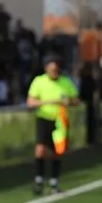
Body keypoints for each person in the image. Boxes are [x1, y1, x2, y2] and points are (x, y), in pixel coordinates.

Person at [26, 55, 79, 195]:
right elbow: (30, 102)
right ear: (46, 69)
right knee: (40, 150)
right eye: (51, 69)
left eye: (56, 69)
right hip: (43, 118)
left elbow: (76, 100)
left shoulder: (65, 82)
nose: (54, 72)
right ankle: (39, 180)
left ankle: (54, 182)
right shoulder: (39, 81)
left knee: (57, 152)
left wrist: (69, 102)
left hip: (59, 120)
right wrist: (45, 102)